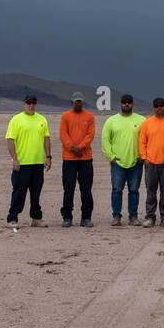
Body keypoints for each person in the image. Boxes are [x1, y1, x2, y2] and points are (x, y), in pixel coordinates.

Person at [5, 95, 51, 228]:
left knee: (36, 192)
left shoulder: (42, 119)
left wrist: (48, 157)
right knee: (19, 192)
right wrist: (15, 159)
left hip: (37, 163)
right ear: (24, 104)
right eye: (29, 103)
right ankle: (12, 219)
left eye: (34, 103)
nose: (31, 105)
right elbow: (10, 141)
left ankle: (36, 218)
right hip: (22, 164)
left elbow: (46, 139)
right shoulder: (16, 120)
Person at [102, 94, 145, 227]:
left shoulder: (142, 120)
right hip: (117, 163)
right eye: (124, 102)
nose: (126, 104)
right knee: (116, 190)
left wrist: (142, 157)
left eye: (129, 102)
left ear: (132, 104)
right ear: (120, 103)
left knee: (134, 190)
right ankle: (116, 216)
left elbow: (146, 139)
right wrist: (111, 157)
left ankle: (133, 217)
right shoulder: (111, 121)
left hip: (135, 162)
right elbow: (105, 140)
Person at [59, 93, 96, 228]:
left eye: (80, 101)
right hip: (69, 158)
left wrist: (80, 147)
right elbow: (63, 135)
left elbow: (90, 135)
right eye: (76, 101)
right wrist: (72, 148)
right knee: (68, 188)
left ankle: (86, 217)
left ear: (83, 102)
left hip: (85, 158)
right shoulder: (65, 117)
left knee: (86, 189)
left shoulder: (90, 117)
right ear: (71, 102)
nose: (78, 103)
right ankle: (67, 217)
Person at [138, 97, 164, 227]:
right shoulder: (147, 123)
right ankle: (150, 217)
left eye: (161, 105)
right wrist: (144, 158)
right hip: (151, 164)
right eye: (156, 106)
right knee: (151, 191)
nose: (159, 108)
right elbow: (142, 141)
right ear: (153, 108)